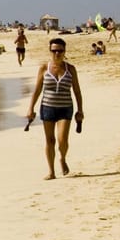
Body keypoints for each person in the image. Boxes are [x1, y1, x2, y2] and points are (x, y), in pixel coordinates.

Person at [25, 37, 84, 179]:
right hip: (47, 108)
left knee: (62, 139)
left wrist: (80, 110)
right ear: (50, 51)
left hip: (65, 108)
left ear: (64, 51)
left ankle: (62, 158)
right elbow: (37, 90)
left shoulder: (71, 69)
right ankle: (51, 172)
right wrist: (30, 108)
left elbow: (77, 91)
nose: (57, 54)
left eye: (60, 51)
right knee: (50, 140)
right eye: (54, 51)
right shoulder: (44, 68)